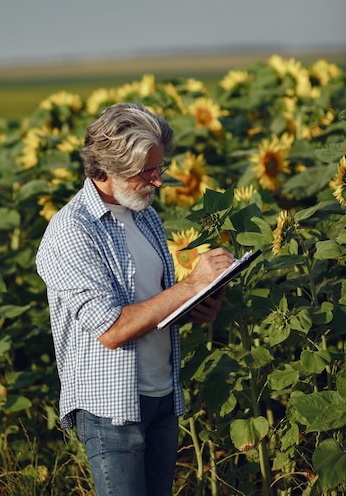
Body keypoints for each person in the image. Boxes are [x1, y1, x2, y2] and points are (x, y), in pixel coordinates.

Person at [36, 103, 233, 496]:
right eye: (147, 171)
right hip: (112, 410)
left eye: (160, 167)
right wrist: (191, 285)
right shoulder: (72, 232)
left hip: (161, 396)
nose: (158, 181)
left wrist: (195, 307)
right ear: (107, 168)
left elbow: (151, 303)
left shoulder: (144, 215)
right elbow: (112, 329)